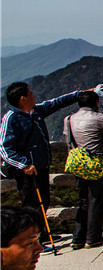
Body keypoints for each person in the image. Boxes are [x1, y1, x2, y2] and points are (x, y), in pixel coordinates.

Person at [1, 82, 97, 247]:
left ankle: (43, 234)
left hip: (41, 167)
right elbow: (4, 147)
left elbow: (56, 103)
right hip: (26, 171)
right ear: (22, 99)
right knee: (30, 205)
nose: (34, 96)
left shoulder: (34, 111)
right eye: (31, 94)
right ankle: (34, 240)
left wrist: (80, 94)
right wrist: (24, 164)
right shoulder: (11, 118)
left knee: (43, 202)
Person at [63, 90, 103, 249]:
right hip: (97, 164)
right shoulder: (101, 118)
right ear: (96, 103)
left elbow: (68, 141)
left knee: (83, 201)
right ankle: (92, 237)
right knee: (96, 201)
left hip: (79, 164)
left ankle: (77, 238)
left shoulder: (69, 119)